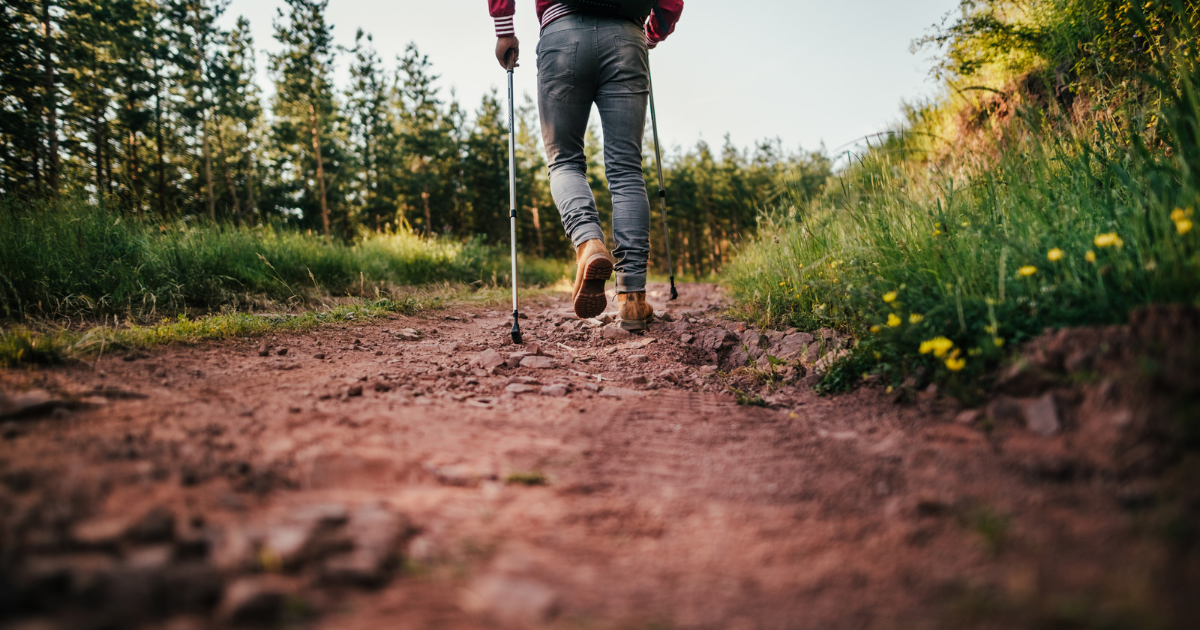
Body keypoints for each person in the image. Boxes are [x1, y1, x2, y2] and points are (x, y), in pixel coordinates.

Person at [487, 0, 683, 331]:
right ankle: (633, 298)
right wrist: (650, 33)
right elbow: (670, 3)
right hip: (627, 35)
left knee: (564, 161)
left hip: (561, 33)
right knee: (626, 170)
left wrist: (504, 29)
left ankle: (588, 241)